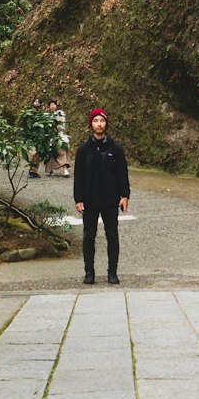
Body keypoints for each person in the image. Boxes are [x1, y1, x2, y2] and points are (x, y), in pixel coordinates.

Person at [73, 107, 129, 285]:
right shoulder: (83, 150)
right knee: (89, 236)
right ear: (91, 124)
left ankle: (112, 272)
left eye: (102, 121)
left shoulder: (116, 149)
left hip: (110, 200)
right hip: (89, 200)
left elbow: (122, 174)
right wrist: (78, 199)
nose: (99, 124)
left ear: (106, 123)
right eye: (96, 121)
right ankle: (89, 272)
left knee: (112, 235)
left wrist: (125, 195)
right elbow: (78, 176)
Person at [44, 100, 70, 176]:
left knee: (63, 150)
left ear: (56, 106)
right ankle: (50, 170)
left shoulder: (60, 113)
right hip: (49, 136)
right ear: (49, 107)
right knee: (50, 152)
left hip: (59, 135)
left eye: (54, 104)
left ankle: (65, 169)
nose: (52, 106)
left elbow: (63, 124)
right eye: (51, 105)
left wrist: (58, 126)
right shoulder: (46, 115)